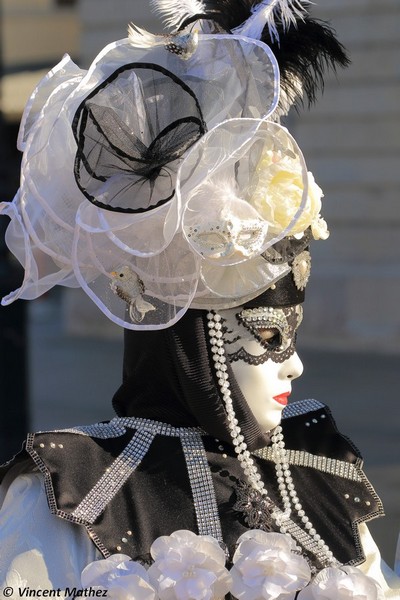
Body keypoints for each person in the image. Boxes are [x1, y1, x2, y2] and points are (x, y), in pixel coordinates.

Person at [0, 1, 399, 598]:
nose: (295, 365)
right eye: (268, 337)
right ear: (190, 345)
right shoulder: (64, 497)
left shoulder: (316, 477)